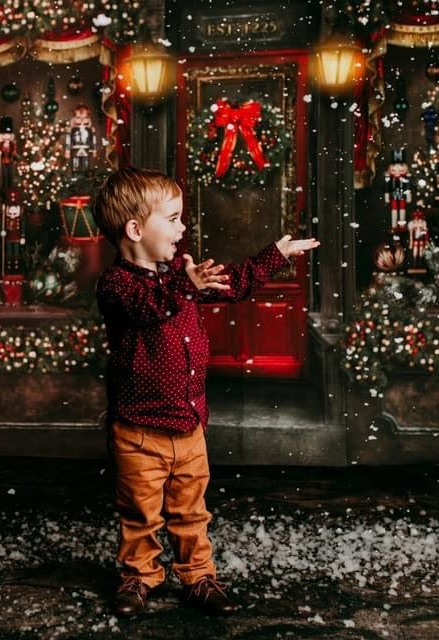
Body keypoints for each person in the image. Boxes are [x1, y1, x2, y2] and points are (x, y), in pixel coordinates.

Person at [93, 166, 320, 617]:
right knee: (140, 514)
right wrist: (186, 285)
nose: (182, 229)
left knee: (191, 511)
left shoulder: (182, 272)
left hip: (190, 425)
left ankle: (198, 576)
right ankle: (138, 577)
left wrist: (276, 253)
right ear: (135, 229)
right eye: (173, 218)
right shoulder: (118, 285)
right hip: (139, 431)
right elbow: (150, 307)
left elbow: (232, 283)